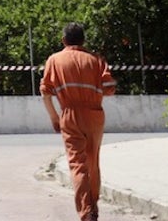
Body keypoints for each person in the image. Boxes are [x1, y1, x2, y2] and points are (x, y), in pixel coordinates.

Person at [40, 22, 116, 221]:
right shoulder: (96, 60)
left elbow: (45, 93)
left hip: (70, 114)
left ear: (64, 40)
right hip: (95, 115)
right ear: (83, 40)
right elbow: (110, 88)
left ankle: (86, 212)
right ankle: (94, 207)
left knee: (77, 165)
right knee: (93, 163)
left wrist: (54, 118)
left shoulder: (54, 60)